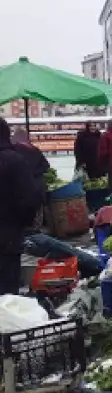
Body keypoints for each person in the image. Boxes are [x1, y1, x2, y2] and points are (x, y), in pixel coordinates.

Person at [0, 119, 46, 295]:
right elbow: (28, 198)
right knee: (8, 289)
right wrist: (25, 222)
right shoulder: (14, 160)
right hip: (8, 234)